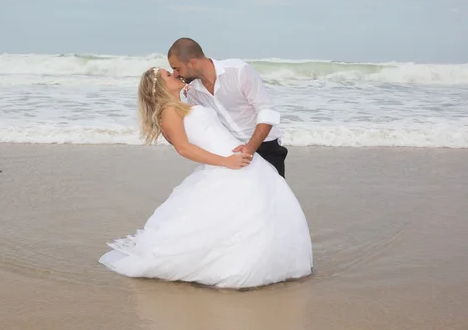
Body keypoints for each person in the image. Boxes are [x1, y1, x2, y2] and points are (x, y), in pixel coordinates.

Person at [98, 66, 313, 289]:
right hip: (226, 165)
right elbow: (184, 148)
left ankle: (271, 261)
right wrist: (226, 161)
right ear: (161, 86)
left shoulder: (184, 103)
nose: (175, 75)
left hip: (241, 162)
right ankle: (239, 267)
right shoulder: (169, 111)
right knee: (243, 216)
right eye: (168, 75)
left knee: (261, 211)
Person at [167, 37, 289, 178]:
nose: (176, 74)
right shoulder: (193, 92)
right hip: (231, 153)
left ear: (192, 63)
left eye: (177, 68)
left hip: (265, 146)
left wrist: (250, 148)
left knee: (274, 198)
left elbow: (267, 111)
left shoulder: (239, 71)